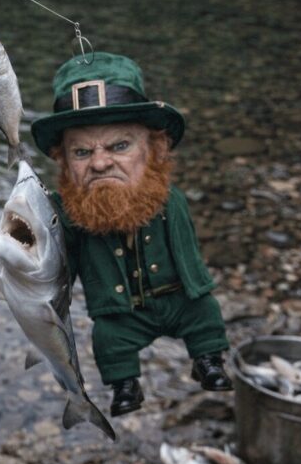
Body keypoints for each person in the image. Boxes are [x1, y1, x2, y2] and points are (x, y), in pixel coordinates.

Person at [30, 52, 233, 417]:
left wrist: (197, 287)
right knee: (109, 340)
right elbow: (56, 271)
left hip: (178, 298)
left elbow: (189, 255)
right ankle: (124, 386)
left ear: (155, 149)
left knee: (205, 314)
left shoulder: (171, 203)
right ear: (63, 162)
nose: (100, 162)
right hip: (120, 313)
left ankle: (209, 361)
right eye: (81, 151)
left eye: (119, 146)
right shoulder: (69, 218)